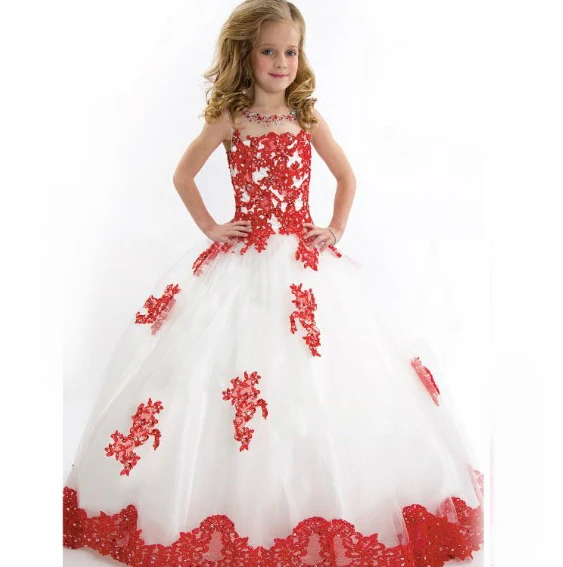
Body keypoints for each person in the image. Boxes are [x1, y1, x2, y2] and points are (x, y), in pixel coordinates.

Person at [63, 1, 484, 566]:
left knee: (316, 372)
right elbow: (183, 174)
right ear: (245, 54)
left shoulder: (306, 117)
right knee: (228, 367)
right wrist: (212, 227)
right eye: (269, 51)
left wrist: (334, 228)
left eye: (290, 51)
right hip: (244, 261)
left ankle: (312, 491)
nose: (281, 62)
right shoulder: (231, 118)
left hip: (304, 265)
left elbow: (346, 175)